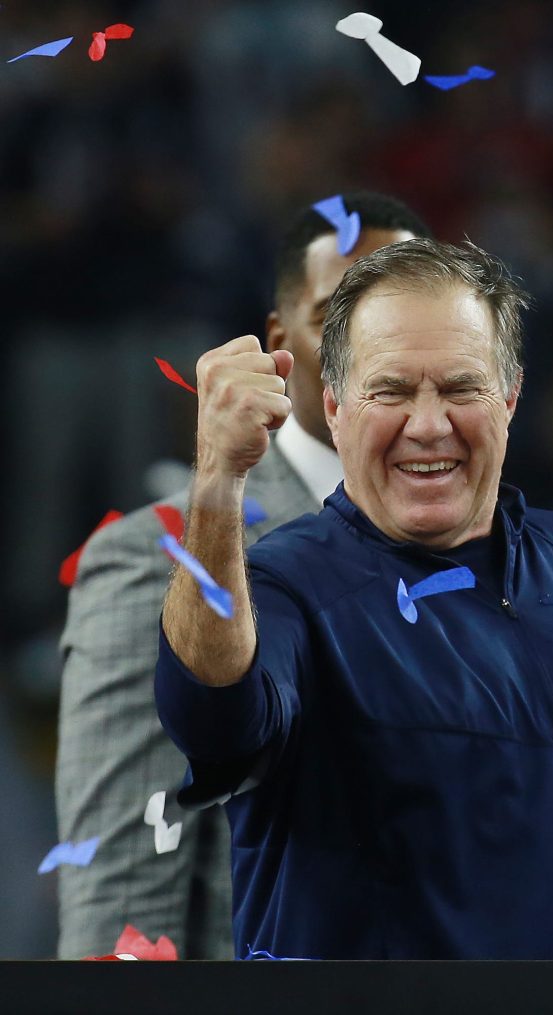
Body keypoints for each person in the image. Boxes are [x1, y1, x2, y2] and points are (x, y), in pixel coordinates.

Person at [155, 238, 553, 960]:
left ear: (510, 397)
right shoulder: (285, 589)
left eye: (461, 388)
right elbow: (211, 714)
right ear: (335, 407)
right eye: (391, 391)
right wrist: (219, 477)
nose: (428, 424)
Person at [55, 192, 431, 960]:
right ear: (279, 343)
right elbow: (121, 917)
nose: (377, 353)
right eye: (340, 318)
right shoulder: (157, 558)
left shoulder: (494, 551)